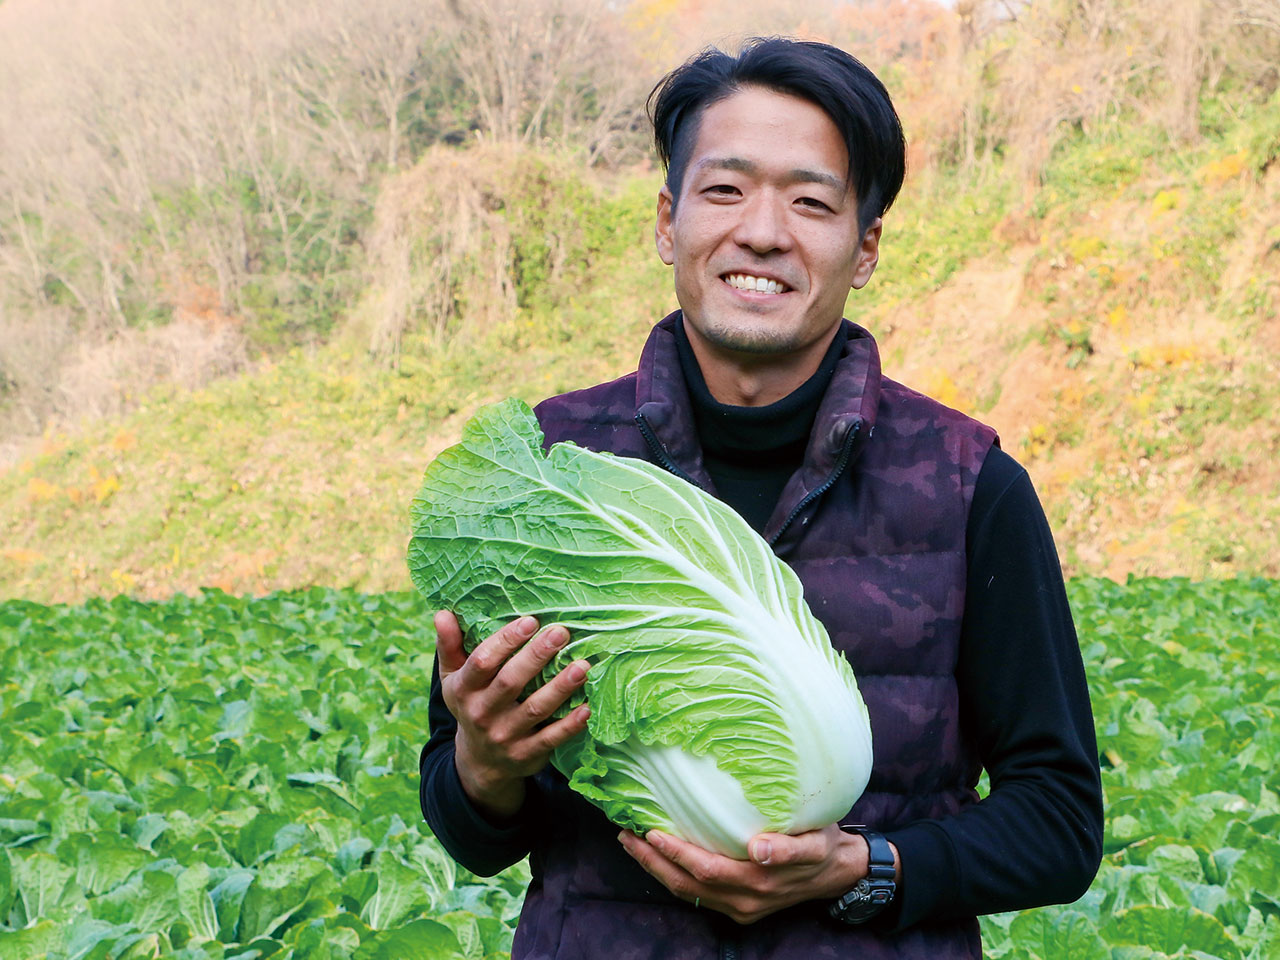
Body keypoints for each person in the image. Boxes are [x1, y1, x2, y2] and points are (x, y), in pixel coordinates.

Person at [419, 37, 1103, 960]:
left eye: (812, 201)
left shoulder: (967, 482)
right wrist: (483, 768)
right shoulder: (546, 475)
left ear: (864, 247)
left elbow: (1059, 822)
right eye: (725, 190)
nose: (764, 232)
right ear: (668, 221)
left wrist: (868, 866)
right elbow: (471, 828)